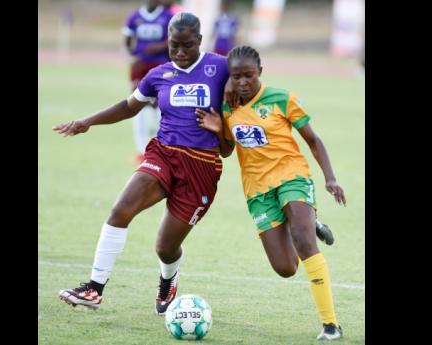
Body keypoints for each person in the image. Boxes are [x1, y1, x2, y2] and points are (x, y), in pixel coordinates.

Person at [54, 12, 230, 315]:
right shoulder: (158, 74)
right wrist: (88, 122)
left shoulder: (220, 68)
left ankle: (168, 279)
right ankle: (94, 289)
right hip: (163, 154)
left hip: (201, 168)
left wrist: (225, 129)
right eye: (174, 46)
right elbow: (127, 107)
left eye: (187, 46)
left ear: (200, 41)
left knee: (165, 247)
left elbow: (244, 104)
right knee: (121, 210)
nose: (180, 53)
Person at [195, 45, 346, 341]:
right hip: (257, 190)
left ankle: (331, 325)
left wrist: (330, 178)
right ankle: (307, 223)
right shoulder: (227, 107)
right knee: (285, 268)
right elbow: (227, 151)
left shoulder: (281, 98)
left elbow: (314, 141)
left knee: (303, 243)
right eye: (236, 76)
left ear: (260, 72)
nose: (242, 82)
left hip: (292, 175)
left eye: (248, 75)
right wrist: (217, 129)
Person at [122, 0, 173, 163]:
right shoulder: (135, 16)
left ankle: (161, 146)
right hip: (140, 66)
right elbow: (127, 40)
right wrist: (132, 57)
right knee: (135, 102)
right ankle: (140, 150)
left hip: (160, 65)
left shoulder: (167, 16)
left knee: (160, 103)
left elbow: (173, 40)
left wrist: (158, 47)